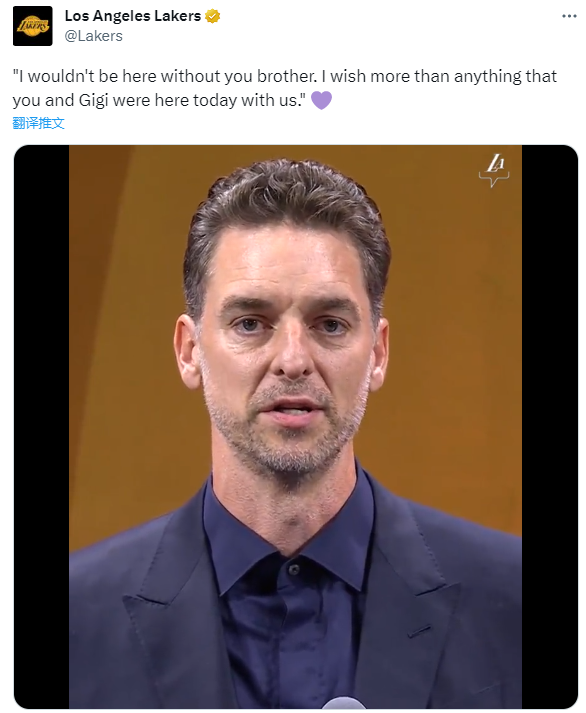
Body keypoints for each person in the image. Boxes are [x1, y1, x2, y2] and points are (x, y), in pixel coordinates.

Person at [69, 158, 522, 709]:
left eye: (329, 324)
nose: (292, 360)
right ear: (190, 352)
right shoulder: (72, 619)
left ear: (378, 354)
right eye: (250, 323)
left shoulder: (516, 600)